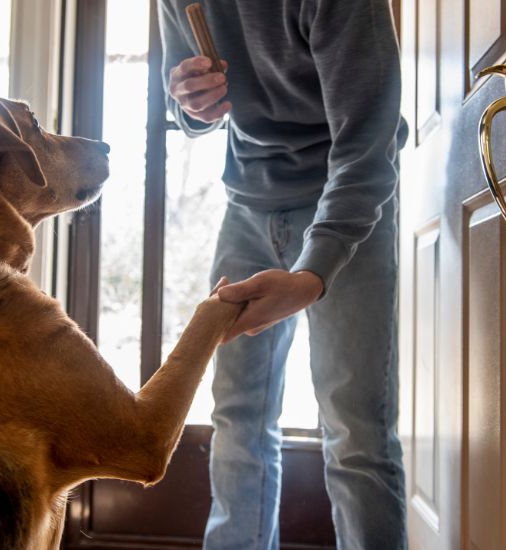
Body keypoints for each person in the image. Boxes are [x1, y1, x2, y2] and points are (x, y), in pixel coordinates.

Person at [159, 1, 407, 548]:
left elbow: (369, 142)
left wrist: (315, 271)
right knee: (237, 416)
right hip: (246, 201)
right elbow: (183, 101)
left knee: (356, 429)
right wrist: (190, 103)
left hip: (346, 204)